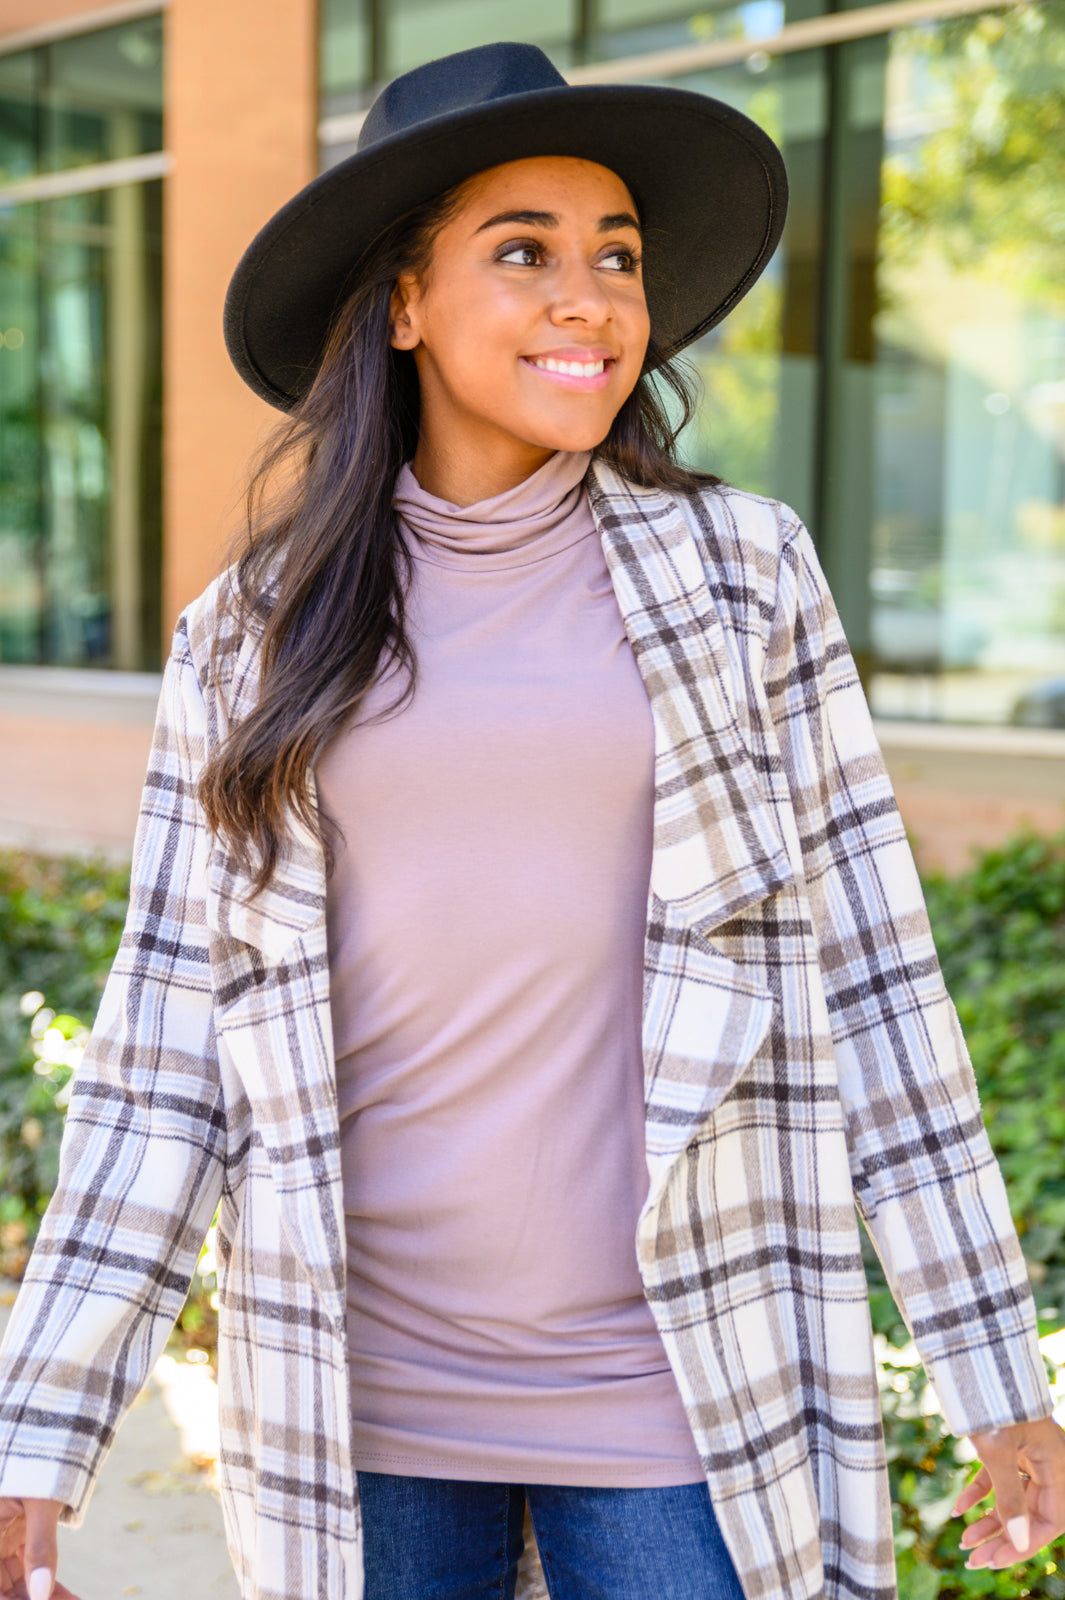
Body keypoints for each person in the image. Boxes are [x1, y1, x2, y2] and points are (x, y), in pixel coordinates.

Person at [0, 38, 1063, 1600]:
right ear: (404, 305)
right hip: (355, 1400)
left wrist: (998, 1380)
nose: (591, 298)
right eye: (524, 252)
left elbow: (877, 984)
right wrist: (41, 1437)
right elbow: (165, 1058)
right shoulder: (245, 638)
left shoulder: (742, 579)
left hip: (675, 1389)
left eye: (615, 256)